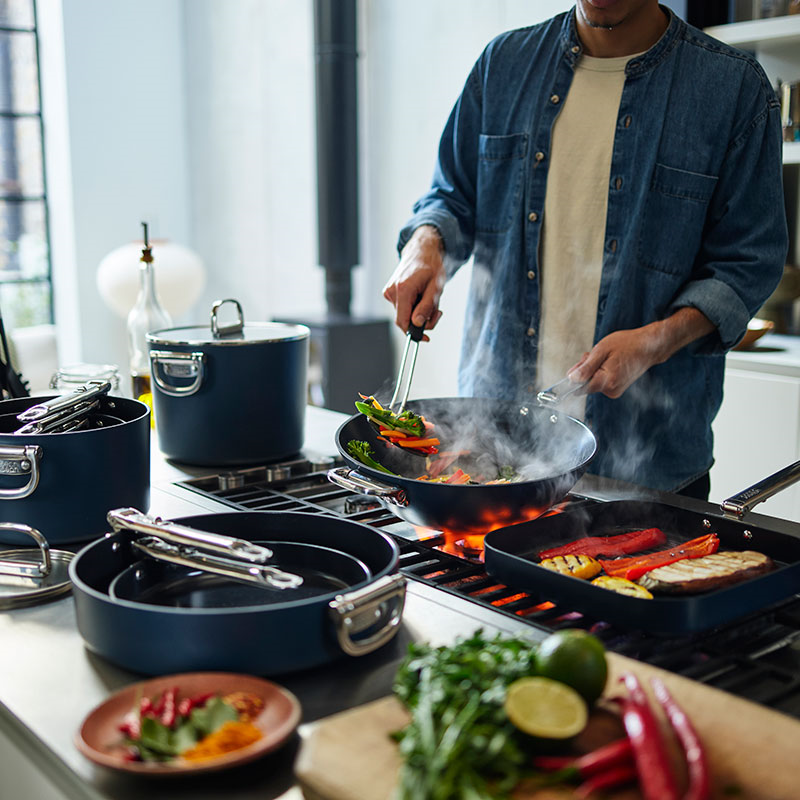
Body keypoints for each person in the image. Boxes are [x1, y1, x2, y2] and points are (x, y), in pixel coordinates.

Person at [382, 0, 788, 500]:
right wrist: (426, 244)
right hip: (493, 458)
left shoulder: (732, 89)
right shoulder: (503, 64)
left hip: (645, 471)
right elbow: (452, 197)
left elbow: (749, 261)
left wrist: (655, 341)